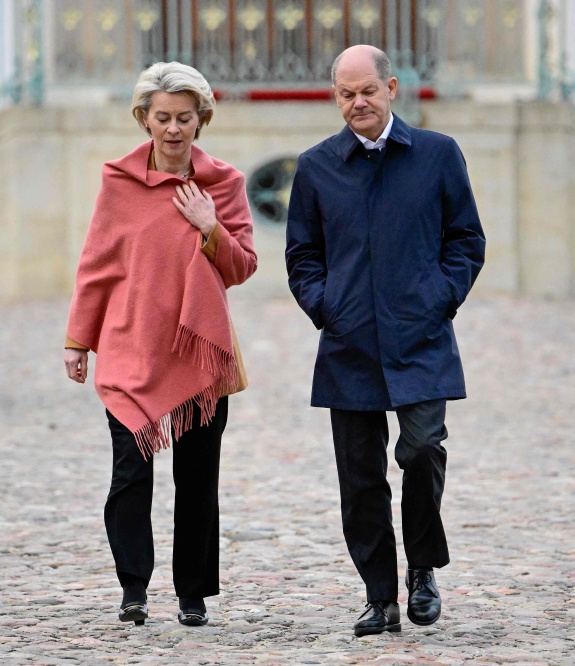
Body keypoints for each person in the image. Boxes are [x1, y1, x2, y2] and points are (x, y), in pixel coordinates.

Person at [285, 45, 485, 637]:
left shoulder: (438, 155)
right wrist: (328, 308)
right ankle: (379, 595)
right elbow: (302, 256)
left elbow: (466, 239)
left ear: (391, 87)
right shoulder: (317, 166)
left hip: (420, 336)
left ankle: (421, 568)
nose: (357, 103)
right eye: (346, 94)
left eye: (367, 90)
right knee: (360, 474)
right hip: (348, 343)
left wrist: (439, 297)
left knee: (422, 449)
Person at [63, 62, 257, 627]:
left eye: (185, 118)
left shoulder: (224, 183)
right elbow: (96, 267)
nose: (173, 129)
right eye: (163, 118)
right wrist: (79, 339)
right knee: (130, 475)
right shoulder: (119, 182)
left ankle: (192, 594)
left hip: (200, 354)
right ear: (144, 119)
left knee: (197, 478)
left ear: (202, 120)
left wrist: (209, 225)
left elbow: (242, 266)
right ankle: (133, 587)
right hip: (131, 347)